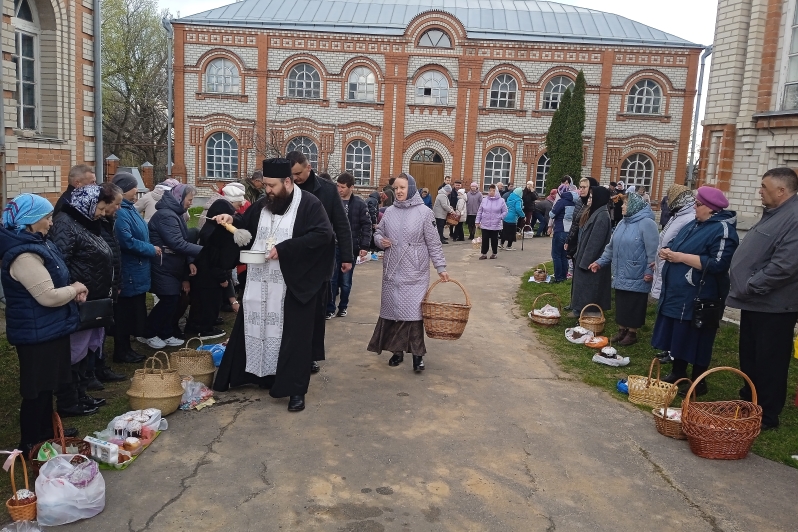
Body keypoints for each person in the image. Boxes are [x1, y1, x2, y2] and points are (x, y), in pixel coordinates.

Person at [213, 158, 334, 412]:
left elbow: (324, 235)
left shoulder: (310, 204)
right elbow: (245, 228)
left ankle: (294, 391)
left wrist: (285, 249)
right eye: (265, 185)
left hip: (292, 285)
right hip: (260, 282)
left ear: (288, 182)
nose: (266, 190)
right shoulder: (262, 205)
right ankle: (259, 376)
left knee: (293, 340)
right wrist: (229, 220)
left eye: (271, 185)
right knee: (257, 330)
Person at [0, 194, 86, 453]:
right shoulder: (24, 255)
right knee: (36, 390)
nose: (51, 223)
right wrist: (75, 289)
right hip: (36, 333)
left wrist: (71, 289)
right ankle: (30, 442)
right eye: (47, 218)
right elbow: (47, 296)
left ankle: (48, 432)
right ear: (30, 221)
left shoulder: (38, 243)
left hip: (48, 328)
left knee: (47, 386)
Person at [727, 168, 798, 429]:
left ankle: (766, 414)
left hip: (774, 306)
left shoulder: (794, 217)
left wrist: (750, 284)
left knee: (770, 360)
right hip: (755, 302)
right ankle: (750, 401)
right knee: (751, 356)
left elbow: (785, 266)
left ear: (782, 190)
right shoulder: (775, 214)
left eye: (764, 187)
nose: (760, 191)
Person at [652, 186, 739, 395]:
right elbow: (675, 242)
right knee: (678, 334)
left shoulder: (723, 229)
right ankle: (678, 372)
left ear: (711, 208)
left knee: (698, 339)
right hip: (679, 294)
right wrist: (667, 251)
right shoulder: (694, 224)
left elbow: (718, 263)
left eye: (698, 205)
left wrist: (679, 257)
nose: (695, 208)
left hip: (701, 296)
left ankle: (698, 381)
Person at [50, 184, 119, 417]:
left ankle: (81, 394)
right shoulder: (65, 224)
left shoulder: (85, 223)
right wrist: (73, 288)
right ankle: (69, 402)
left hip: (92, 300)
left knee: (85, 352)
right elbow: (59, 264)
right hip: (76, 302)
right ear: (86, 204)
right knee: (73, 353)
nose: (102, 213)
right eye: (100, 208)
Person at [368, 173, 448, 372]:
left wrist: (441, 267)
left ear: (411, 188)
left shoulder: (424, 212)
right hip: (392, 271)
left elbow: (434, 243)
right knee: (393, 312)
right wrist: (379, 241)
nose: (399, 192)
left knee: (413, 314)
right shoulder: (390, 212)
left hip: (415, 272)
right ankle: (397, 351)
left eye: (402, 188)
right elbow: (378, 232)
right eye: (396, 189)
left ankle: (418, 356)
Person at [287, 150, 353, 374]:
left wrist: (346, 256)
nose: (295, 178)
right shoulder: (287, 189)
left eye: (298, 173)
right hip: (292, 258)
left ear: (308, 167)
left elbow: (341, 224)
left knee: (316, 312)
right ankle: (290, 352)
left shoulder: (327, 190)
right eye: (291, 174)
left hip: (320, 260)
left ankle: (311, 355)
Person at [589, 193, 659, 346]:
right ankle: (622, 331)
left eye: (625, 204)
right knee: (621, 303)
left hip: (638, 273)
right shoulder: (622, 223)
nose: (622, 207)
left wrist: (649, 271)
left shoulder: (647, 223)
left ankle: (632, 333)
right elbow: (611, 247)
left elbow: (653, 251)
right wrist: (600, 262)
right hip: (621, 272)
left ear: (634, 206)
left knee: (634, 304)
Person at [144, 184, 202, 348]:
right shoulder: (166, 216)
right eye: (189, 199)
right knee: (169, 299)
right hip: (163, 264)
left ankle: (165, 332)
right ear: (179, 198)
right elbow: (177, 243)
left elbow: (183, 242)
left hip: (171, 265)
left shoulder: (175, 214)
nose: (191, 203)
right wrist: (205, 251)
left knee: (172, 300)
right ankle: (149, 332)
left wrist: (190, 261)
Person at [113, 172, 160, 363]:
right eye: (134, 188)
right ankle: (121, 349)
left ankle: (127, 346)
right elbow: (127, 241)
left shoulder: (130, 208)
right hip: (130, 268)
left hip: (138, 268)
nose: (137, 191)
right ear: (125, 189)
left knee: (134, 310)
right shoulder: (121, 213)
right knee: (124, 312)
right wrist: (150, 249)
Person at [185, 198, 241, 340]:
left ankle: (194, 324)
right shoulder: (217, 234)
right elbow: (217, 259)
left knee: (200, 302)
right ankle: (206, 329)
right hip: (211, 276)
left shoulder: (208, 228)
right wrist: (222, 277)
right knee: (210, 303)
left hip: (203, 273)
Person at [93, 183, 127, 384]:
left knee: (102, 330)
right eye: (116, 204)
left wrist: (116, 282)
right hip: (98, 285)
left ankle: (99, 367)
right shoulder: (97, 224)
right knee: (95, 330)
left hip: (109, 282)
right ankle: (93, 371)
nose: (118, 208)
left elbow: (113, 254)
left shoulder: (108, 221)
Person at [327, 172, 371, 319]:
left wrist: (364, 246)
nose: (339, 189)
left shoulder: (359, 204)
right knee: (332, 279)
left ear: (351, 187)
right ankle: (330, 308)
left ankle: (343, 306)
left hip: (350, 248)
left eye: (343, 187)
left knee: (345, 282)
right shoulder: (332, 201)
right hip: (332, 247)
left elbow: (367, 226)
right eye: (338, 186)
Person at [569, 186, 613, 315]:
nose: (590, 199)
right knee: (583, 289)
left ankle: (589, 315)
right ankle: (580, 311)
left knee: (590, 290)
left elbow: (595, 243)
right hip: (584, 258)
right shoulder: (596, 212)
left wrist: (584, 261)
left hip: (590, 262)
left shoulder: (602, 216)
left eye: (592, 197)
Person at [548, 185, 575, 281]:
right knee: (564, 255)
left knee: (556, 255)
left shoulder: (561, 202)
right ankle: (564, 276)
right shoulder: (574, 202)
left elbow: (552, 214)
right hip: (569, 231)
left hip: (560, 230)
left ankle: (558, 277)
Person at [475, 184, 507, 259]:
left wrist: (499, 217)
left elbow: (505, 211)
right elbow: (480, 211)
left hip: (495, 224)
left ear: (496, 191)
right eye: (490, 190)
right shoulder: (484, 200)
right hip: (485, 223)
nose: (491, 192)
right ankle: (484, 254)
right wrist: (477, 221)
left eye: (493, 190)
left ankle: (494, 253)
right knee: (485, 239)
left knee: (494, 240)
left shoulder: (501, 201)